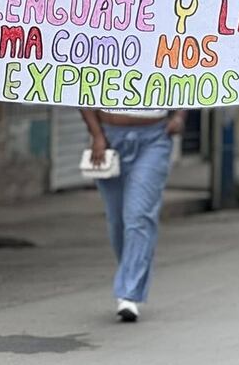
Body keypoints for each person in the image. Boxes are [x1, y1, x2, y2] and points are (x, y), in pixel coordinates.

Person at [80, 107, 187, 322]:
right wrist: (97, 134)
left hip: (154, 138)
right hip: (108, 138)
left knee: (138, 217)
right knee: (117, 220)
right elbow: (81, 89)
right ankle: (129, 275)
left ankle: (129, 293)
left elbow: (188, 79)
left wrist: (179, 116)